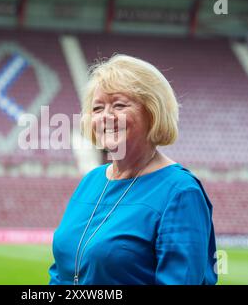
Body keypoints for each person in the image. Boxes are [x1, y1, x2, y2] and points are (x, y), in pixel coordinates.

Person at [48, 54, 217, 285]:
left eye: (119, 105)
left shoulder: (180, 192)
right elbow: (61, 273)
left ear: (152, 112)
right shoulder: (90, 181)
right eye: (97, 108)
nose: (106, 117)